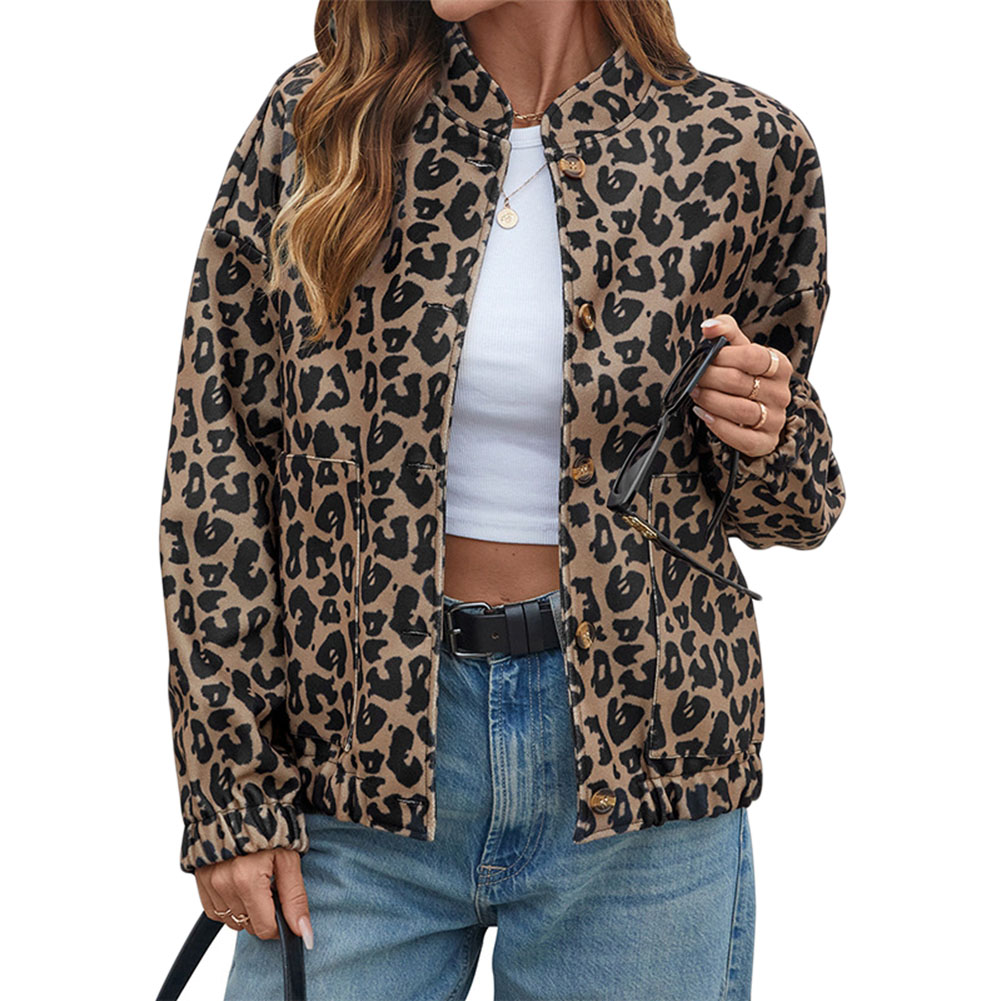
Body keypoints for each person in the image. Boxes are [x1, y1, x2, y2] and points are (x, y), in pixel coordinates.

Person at [158, 1, 845, 997]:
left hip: (639, 769)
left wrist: (768, 425)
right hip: (356, 766)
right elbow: (215, 466)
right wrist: (228, 791)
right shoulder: (325, 122)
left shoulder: (740, 146)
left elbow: (791, 509)